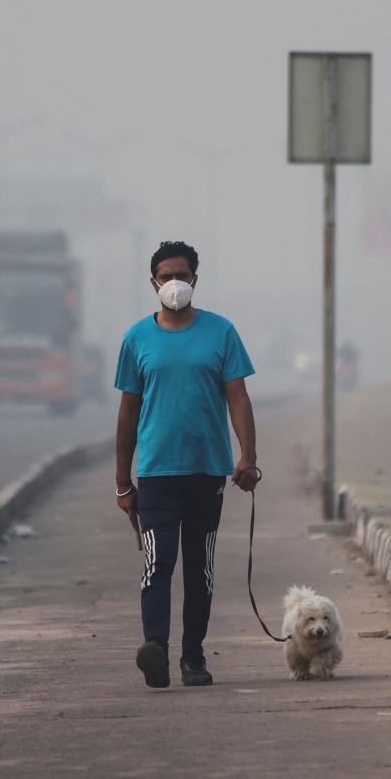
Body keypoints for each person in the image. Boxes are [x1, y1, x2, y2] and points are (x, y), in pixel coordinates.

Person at [114, 240, 259, 689]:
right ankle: (154, 646)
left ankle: (193, 657)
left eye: (182, 274)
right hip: (156, 473)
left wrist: (248, 457)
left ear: (195, 279)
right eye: (165, 275)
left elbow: (238, 397)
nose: (173, 283)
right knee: (158, 563)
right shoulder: (137, 339)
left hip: (208, 472)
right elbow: (127, 413)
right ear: (152, 282)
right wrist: (123, 482)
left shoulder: (221, 333)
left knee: (200, 568)